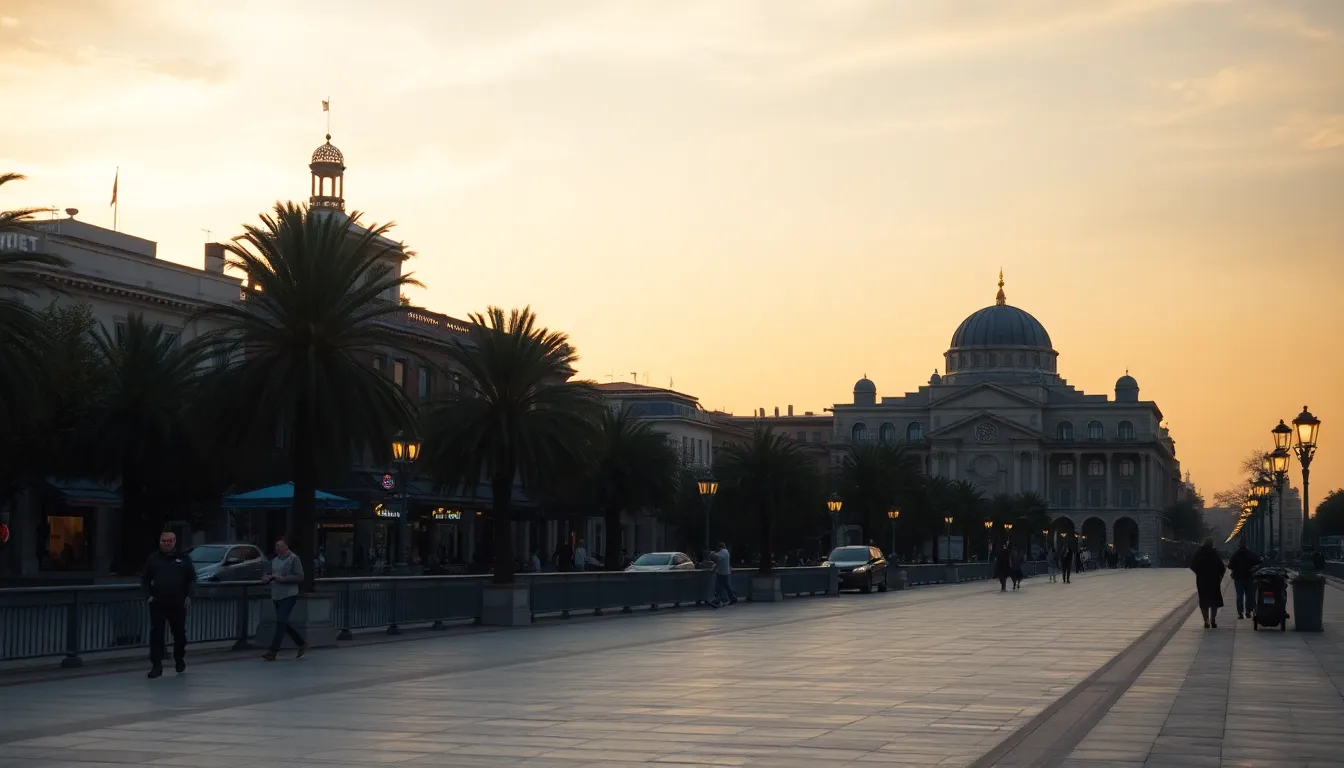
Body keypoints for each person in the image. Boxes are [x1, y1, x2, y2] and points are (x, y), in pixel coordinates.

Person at [140, 531, 196, 678]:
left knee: (179, 634)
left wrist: (189, 595)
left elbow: (191, 578)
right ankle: (156, 665)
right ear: (160, 542)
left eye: (169, 541)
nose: (166, 543)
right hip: (157, 602)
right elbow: (144, 579)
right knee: (156, 634)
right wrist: (148, 596)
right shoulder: (153, 558)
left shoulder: (183, 558)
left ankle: (179, 658)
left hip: (178, 602)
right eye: (164, 541)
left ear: (174, 542)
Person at [261, 538, 308, 661]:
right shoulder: (273, 560)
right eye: (276, 546)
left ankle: (273, 651)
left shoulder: (293, 559)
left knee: (281, 621)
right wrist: (267, 578)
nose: (277, 548)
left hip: (289, 595)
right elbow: (266, 574)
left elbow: (300, 576)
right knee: (283, 623)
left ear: (286, 546)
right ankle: (301, 643)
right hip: (276, 595)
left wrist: (284, 579)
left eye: (279, 546)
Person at [1189, 537, 1227, 629]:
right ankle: (1213, 620)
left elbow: (1192, 565)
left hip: (1202, 580)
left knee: (1204, 601)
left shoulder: (1199, 553)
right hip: (1214, 580)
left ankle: (1205, 620)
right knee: (1214, 601)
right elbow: (1222, 567)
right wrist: (1220, 576)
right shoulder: (1214, 553)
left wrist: (1199, 573)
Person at [1227, 539, 1262, 620]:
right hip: (1249, 577)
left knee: (1239, 595)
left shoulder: (1235, 554)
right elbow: (1259, 562)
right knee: (1249, 595)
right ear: (1246, 545)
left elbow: (1230, 565)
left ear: (1239, 545)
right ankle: (1248, 611)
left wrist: (1236, 569)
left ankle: (1240, 613)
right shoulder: (1251, 554)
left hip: (1238, 578)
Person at [711, 542, 737, 607]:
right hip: (725, 573)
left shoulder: (723, 551)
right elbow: (719, 562)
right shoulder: (726, 552)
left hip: (721, 573)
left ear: (720, 547)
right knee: (727, 587)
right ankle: (733, 598)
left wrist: (712, 553)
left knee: (718, 587)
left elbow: (716, 557)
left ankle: (717, 601)